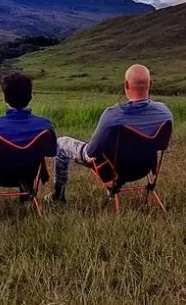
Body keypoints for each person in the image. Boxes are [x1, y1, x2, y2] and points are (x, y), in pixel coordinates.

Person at [51, 64, 172, 202]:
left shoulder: (113, 116)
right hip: (144, 167)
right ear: (151, 84)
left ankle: (58, 196)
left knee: (61, 143)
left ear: (126, 85)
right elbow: (162, 145)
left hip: (114, 170)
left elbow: (91, 153)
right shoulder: (165, 113)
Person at [0, 72, 57, 208]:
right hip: (28, 174)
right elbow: (51, 152)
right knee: (27, 157)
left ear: (5, 98)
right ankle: (26, 194)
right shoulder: (45, 126)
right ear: (30, 96)